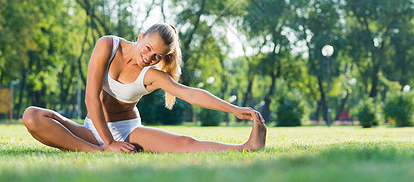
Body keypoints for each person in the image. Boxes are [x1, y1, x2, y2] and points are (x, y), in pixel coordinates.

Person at [22, 23, 267, 153]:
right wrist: (107, 144)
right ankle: (98, 151)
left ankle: (246, 147)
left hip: (128, 131)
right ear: (140, 37)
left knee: (184, 143)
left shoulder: (152, 74)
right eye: (148, 48)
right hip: (92, 130)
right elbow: (91, 99)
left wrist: (233, 109)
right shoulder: (107, 45)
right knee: (32, 116)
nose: (148, 57)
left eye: (157, 56)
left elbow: (189, 94)